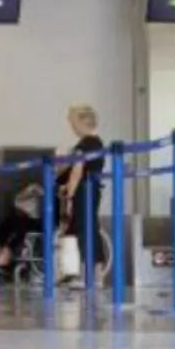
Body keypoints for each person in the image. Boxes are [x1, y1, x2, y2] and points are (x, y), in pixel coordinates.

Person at [59, 104, 107, 285]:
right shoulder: (96, 142)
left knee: (82, 229)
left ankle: (83, 275)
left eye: (72, 122)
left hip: (83, 191)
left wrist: (69, 195)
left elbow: (77, 171)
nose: (71, 126)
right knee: (90, 228)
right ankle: (96, 275)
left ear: (82, 122)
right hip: (92, 189)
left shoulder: (85, 144)